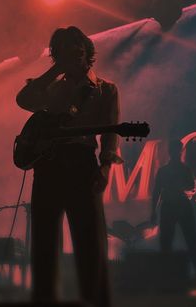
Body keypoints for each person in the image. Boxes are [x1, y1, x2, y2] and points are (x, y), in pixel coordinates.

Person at [16, 26, 122, 306]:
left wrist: (105, 168)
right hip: (49, 166)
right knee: (44, 242)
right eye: (62, 51)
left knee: (90, 242)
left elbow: (111, 132)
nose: (72, 57)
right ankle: (44, 298)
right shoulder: (53, 86)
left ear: (87, 51)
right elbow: (23, 99)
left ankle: (96, 299)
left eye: (75, 50)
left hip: (81, 164)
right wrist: (55, 70)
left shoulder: (106, 90)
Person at [150, 139, 196, 274]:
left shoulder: (164, 171)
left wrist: (153, 211)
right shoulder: (184, 169)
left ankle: (166, 272)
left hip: (171, 206)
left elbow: (157, 192)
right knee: (189, 239)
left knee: (168, 241)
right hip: (180, 205)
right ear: (180, 151)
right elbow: (190, 186)